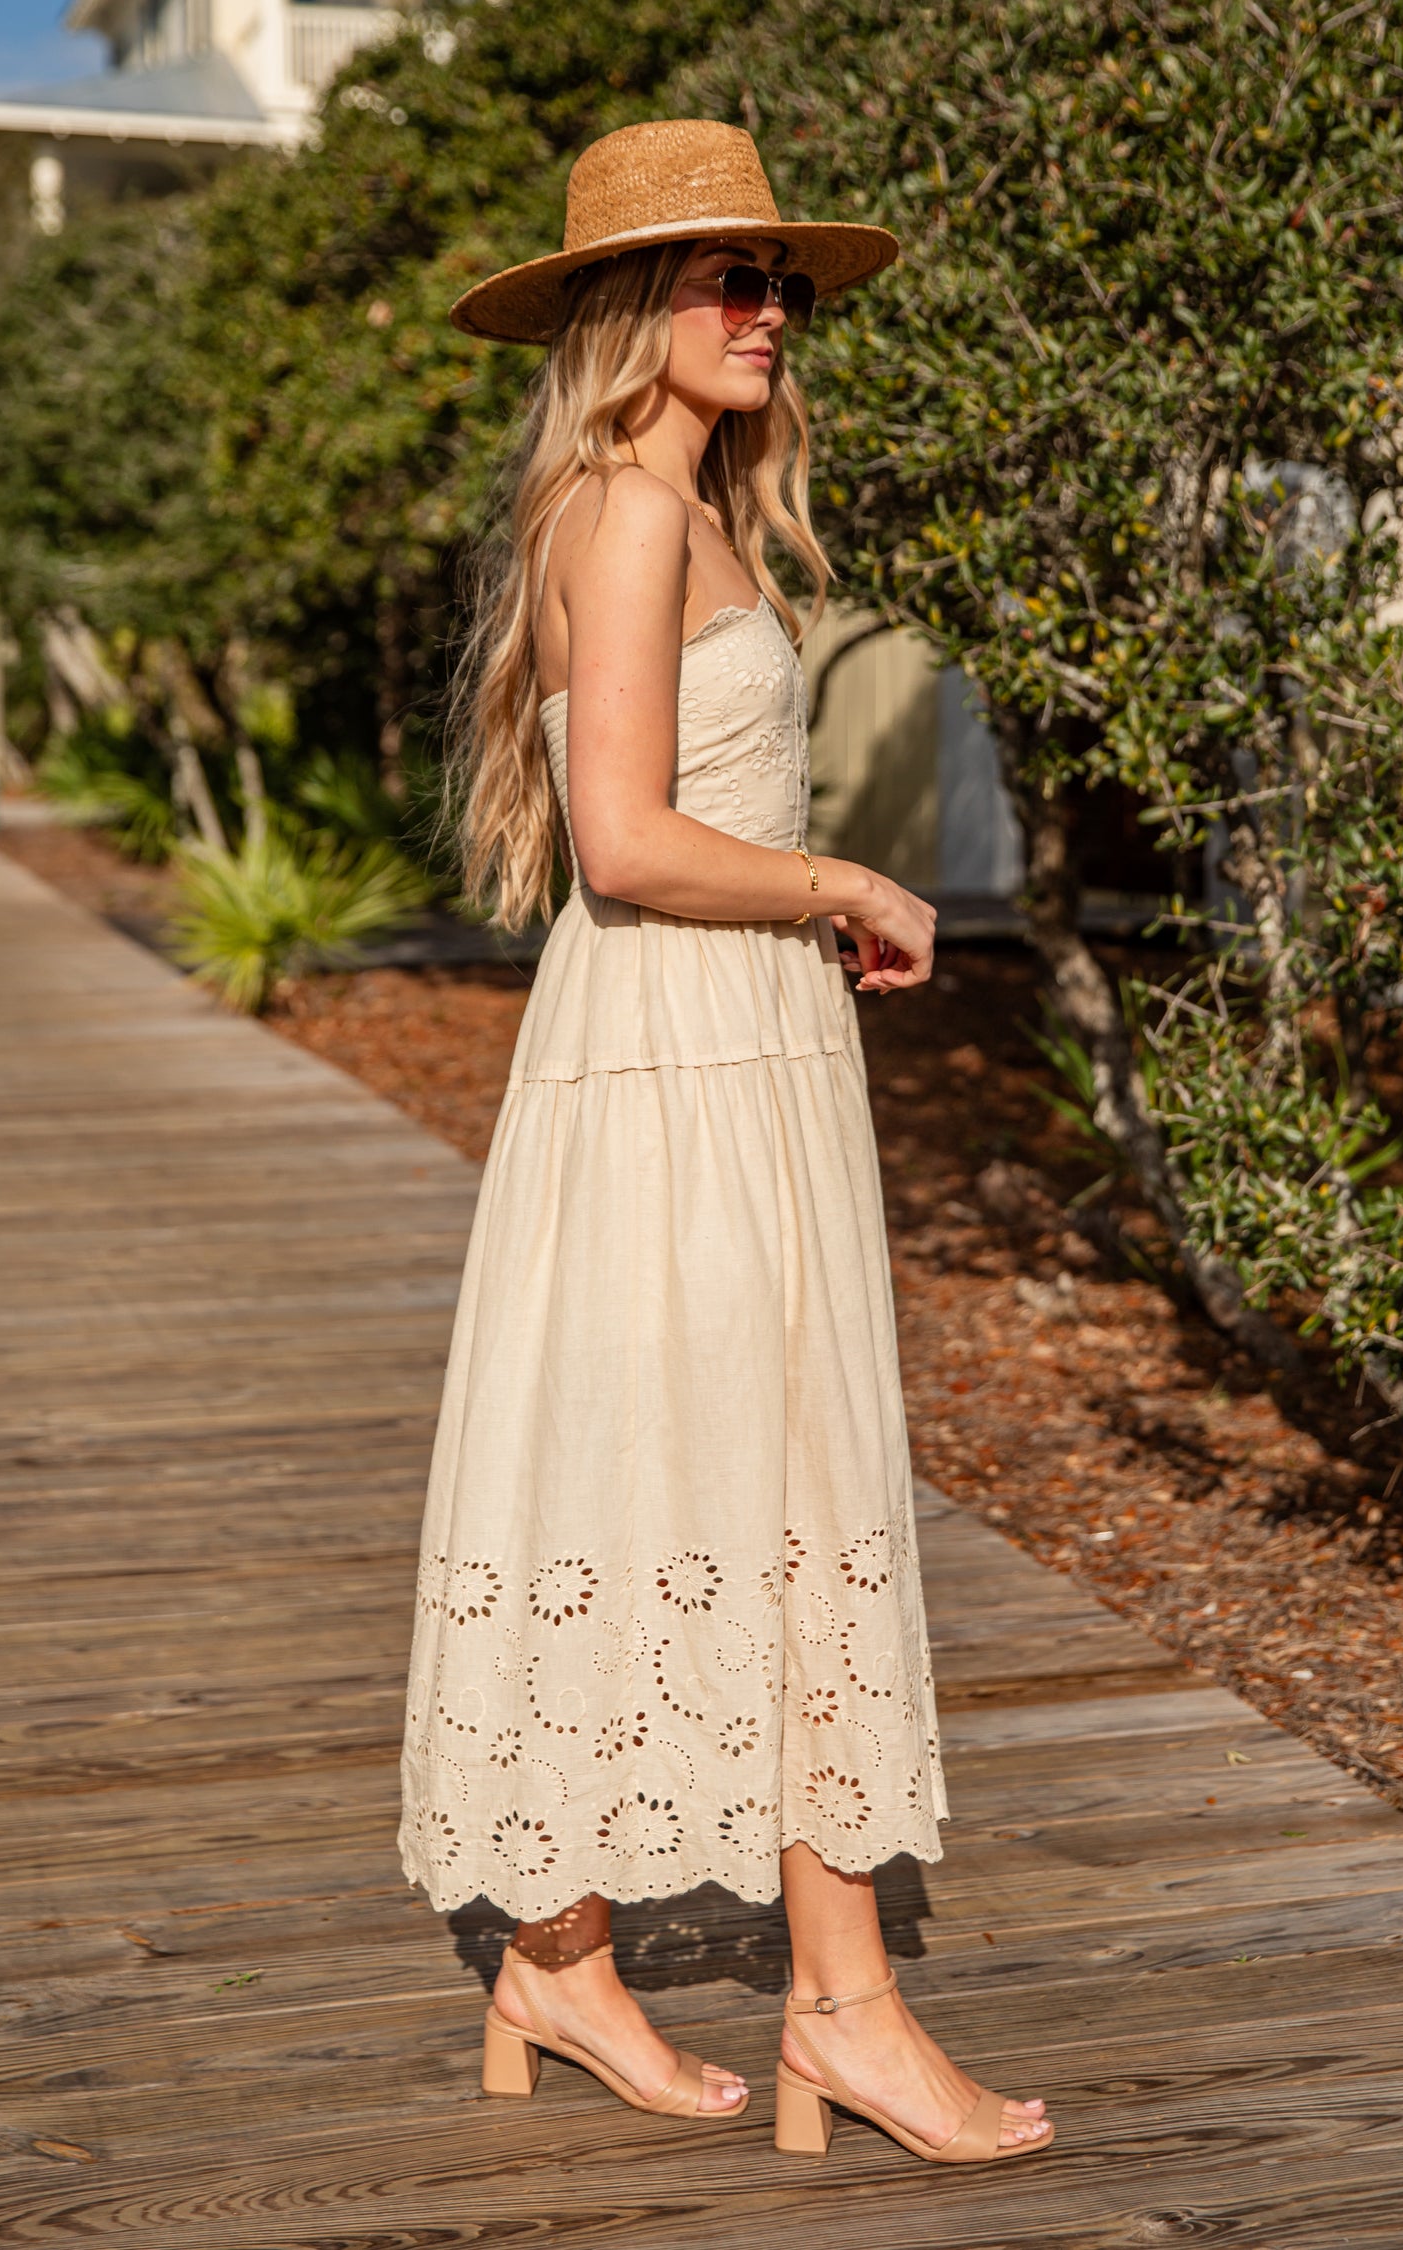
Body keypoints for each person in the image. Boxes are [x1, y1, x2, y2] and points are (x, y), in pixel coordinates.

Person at [399, 117, 1052, 2166]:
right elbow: (623, 840)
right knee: (766, 1480)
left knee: (724, 1478)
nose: (770, 312)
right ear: (629, 309)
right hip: (682, 1053)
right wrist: (844, 881)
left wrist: (799, 910)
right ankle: (835, 2012)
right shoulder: (625, 508)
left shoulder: (685, 508)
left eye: (780, 283)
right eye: (727, 279)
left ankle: (567, 1960)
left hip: (729, 1048)